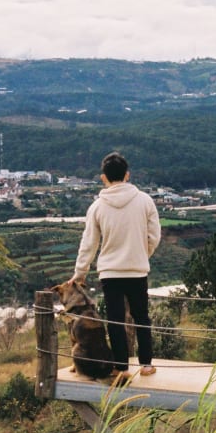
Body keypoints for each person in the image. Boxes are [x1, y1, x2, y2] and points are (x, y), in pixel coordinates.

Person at [69, 151, 161, 383]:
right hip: (137, 269)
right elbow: (154, 236)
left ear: (104, 178)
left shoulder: (97, 207)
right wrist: (142, 255)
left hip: (110, 273)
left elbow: (89, 244)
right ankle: (147, 364)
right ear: (127, 175)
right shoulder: (145, 201)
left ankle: (122, 367)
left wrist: (80, 273)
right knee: (142, 317)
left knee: (116, 320)